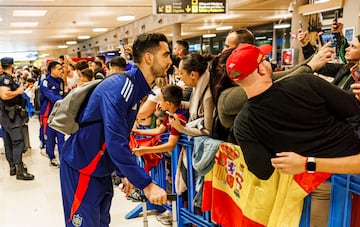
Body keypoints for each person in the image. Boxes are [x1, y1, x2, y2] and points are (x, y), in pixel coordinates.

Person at [59, 33, 172, 227]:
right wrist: (145, 183)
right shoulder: (121, 87)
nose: (170, 60)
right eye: (166, 54)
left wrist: (123, 173)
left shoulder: (135, 88)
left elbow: (117, 135)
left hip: (100, 169)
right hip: (83, 167)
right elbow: (115, 140)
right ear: (148, 58)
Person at [227, 43, 360, 180]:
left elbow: (263, 171)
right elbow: (352, 109)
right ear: (261, 69)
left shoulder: (243, 123)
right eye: (264, 60)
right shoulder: (306, 82)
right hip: (350, 166)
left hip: (305, 183)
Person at [0, 57, 34, 180]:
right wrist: (18, 91)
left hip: (7, 115)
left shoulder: (6, 77)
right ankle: (19, 170)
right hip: (11, 116)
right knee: (18, 142)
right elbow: (4, 94)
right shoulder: (5, 79)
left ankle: (13, 168)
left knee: (9, 142)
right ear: (12, 65)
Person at [132, 85, 188, 155]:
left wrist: (145, 150)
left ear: (168, 104)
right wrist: (137, 132)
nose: (158, 102)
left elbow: (171, 145)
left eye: (160, 100)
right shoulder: (171, 114)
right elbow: (159, 130)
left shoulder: (177, 119)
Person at [170, 53, 215, 136]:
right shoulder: (198, 88)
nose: (179, 76)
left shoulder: (208, 97)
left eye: (181, 73)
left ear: (193, 75)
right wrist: (173, 103)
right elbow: (194, 106)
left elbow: (208, 131)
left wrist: (181, 129)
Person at [40, 61, 65, 168]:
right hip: (47, 114)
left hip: (59, 114)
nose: (61, 71)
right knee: (50, 138)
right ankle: (52, 157)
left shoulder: (60, 81)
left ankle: (63, 158)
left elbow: (62, 94)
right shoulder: (45, 82)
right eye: (59, 69)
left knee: (61, 137)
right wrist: (65, 101)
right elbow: (52, 97)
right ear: (52, 70)